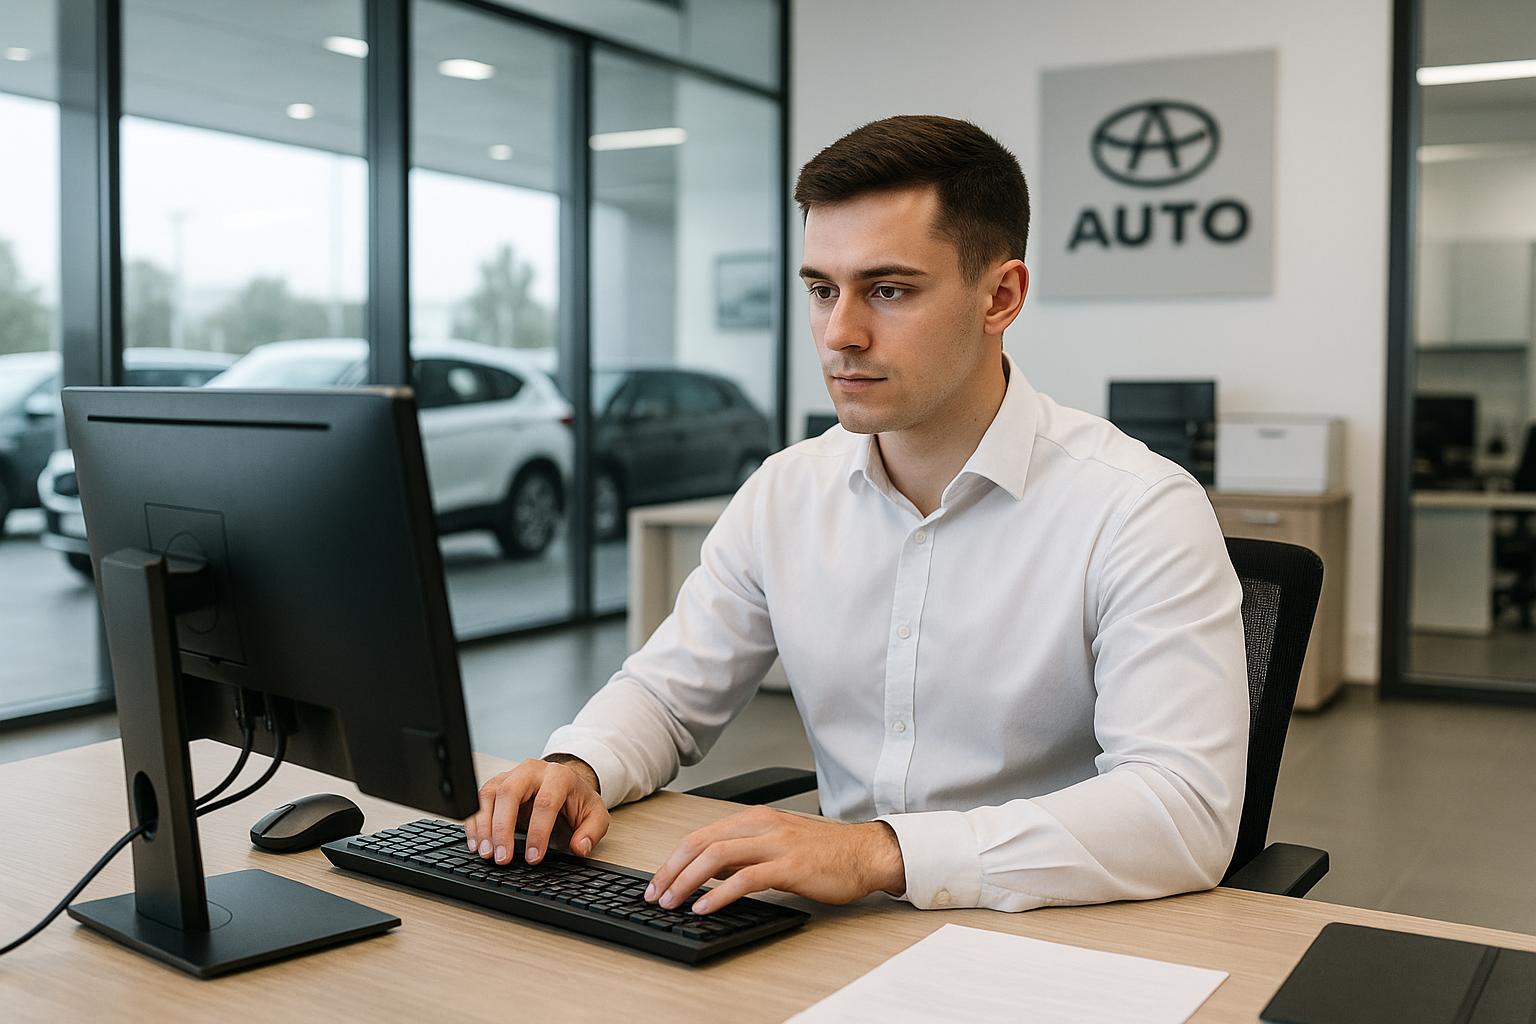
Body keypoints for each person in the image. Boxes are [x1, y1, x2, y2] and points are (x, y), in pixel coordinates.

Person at [464, 115, 1249, 916]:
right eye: (821, 290)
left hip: (1057, 929)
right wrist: (579, 765)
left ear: (1000, 297)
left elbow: (1182, 808)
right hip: (844, 929)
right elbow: (667, 696)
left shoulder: (1137, 509)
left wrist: (880, 852)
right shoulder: (785, 492)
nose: (841, 334)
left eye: (888, 290)